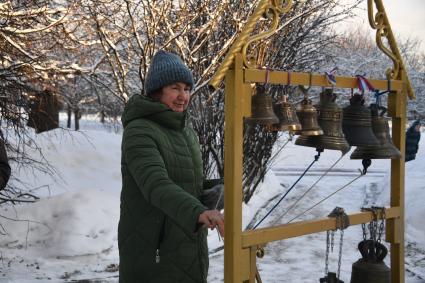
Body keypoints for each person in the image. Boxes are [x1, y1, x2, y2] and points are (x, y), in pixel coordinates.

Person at [119, 50, 224, 283]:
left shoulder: (186, 132)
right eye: (175, 88)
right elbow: (156, 185)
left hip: (189, 248)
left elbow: (187, 184)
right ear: (157, 91)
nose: (183, 96)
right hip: (154, 253)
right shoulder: (139, 130)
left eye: (187, 89)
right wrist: (197, 211)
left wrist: (218, 190)